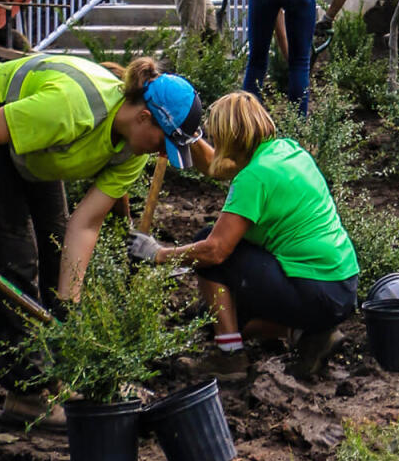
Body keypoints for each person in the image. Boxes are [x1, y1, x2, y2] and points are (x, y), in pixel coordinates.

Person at [0, 55, 207, 426]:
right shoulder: (72, 109)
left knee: (56, 250)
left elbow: (83, 226)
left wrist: (69, 312)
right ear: (144, 118)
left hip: (36, 148)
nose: (163, 154)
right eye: (165, 144)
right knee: (16, 257)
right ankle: (25, 392)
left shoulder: (131, 150)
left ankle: (58, 374)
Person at [127, 91, 359, 381]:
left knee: (210, 250)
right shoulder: (286, 151)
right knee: (222, 318)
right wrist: (190, 137)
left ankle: (230, 358)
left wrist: (157, 253)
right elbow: (220, 167)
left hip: (315, 292)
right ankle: (308, 335)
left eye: (216, 136)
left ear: (229, 136)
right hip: (343, 288)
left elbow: (215, 251)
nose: (215, 141)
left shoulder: (255, 177)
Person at [243, 0, 355, 115]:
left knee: (256, 59)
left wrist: (288, 57)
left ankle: (245, 122)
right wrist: (328, 17)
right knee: (301, 61)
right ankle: (298, 129)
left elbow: (277, 20)